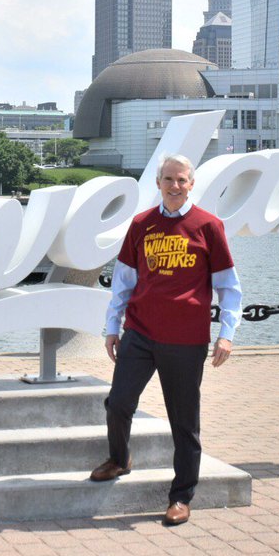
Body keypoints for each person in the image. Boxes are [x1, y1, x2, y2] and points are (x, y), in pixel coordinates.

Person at [89, 153, 242, 527]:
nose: (175, 186)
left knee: (184, 422)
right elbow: (123, 282)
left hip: (186, 340)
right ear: (158, 183)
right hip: (140, 334)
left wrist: (226, 335)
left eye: (182, 180)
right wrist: (113, 327)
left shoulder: (209, 226)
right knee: (118, 403)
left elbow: (229, 288)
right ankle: (120, 458)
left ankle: (181, 496)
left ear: (191, 184)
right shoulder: (141, 224)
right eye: (169, 179)